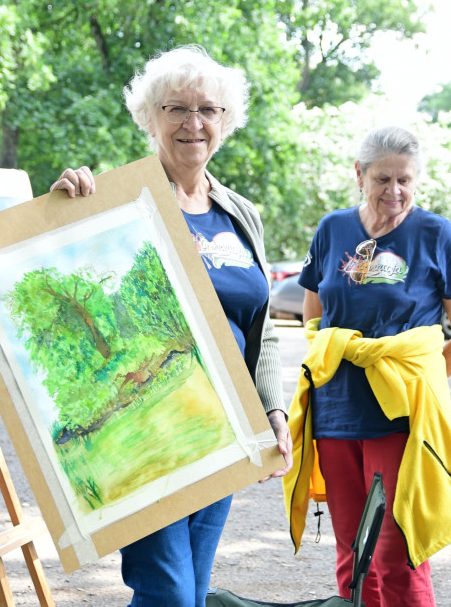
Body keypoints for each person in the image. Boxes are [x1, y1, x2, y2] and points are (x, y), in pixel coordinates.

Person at [50, 45, 292, 607]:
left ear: (226, 122)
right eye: (176, 108)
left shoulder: (240, 213)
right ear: (149, 117)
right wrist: (65, 205)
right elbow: (67, 267)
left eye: (208, 109)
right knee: (172, 593)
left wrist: (274, 411)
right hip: (149, 434)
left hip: (224, 432)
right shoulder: (115, 204)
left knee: (191, 590)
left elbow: (262, 327)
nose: (193, 122)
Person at [282, 126, 451, 607]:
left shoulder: (435, 234)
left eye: (405, 180)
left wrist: (419, 385)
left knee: (396, 550)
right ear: (359, 174)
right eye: (382, 179)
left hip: (397, 417)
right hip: (334, 413)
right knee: (351, 551)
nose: (394, 192)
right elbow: (315, 315)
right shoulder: (332, 229)